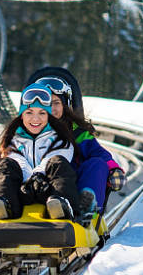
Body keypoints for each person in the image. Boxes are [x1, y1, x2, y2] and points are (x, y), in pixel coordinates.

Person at [0, 81, 82, 221]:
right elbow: (17, 160)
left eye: (42, 113)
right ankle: (3, 205)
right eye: (29, 112)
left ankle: (62, 206)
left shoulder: (61, 138)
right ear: (21, 115)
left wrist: (39, 175)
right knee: (5, 164)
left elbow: (56, 156)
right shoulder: (12, 139)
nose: (35, 118)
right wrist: (29, 179)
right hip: (20, 190)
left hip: (49, 189)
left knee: (58, 163)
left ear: (48, 116)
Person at [35, 75, 126, 213]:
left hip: (74, 188)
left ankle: (87, 201)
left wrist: (113, 170)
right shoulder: (25, 133)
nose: (50, 108)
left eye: (56, 103)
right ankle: (1, 202)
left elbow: (99, 153)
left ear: (65, 105)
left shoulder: (77, 133)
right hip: (37, 186)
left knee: (97, 163)